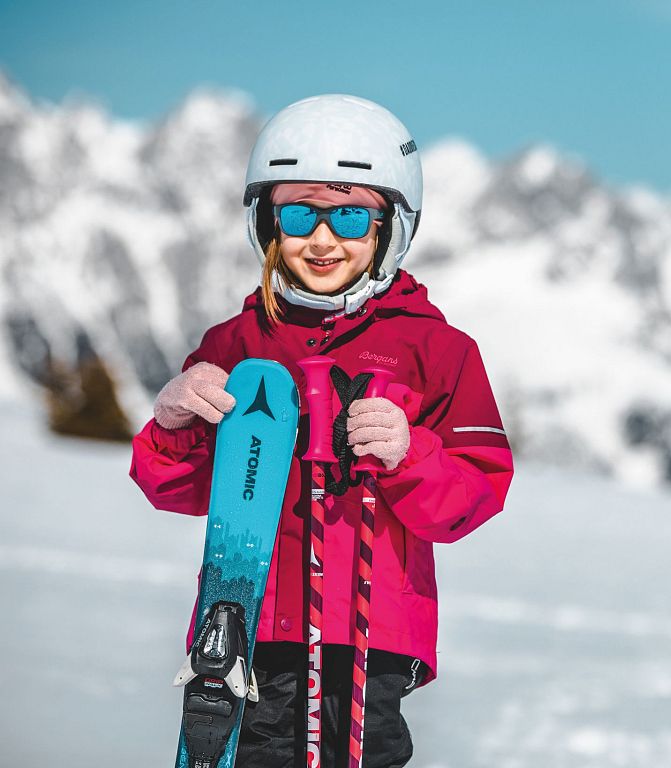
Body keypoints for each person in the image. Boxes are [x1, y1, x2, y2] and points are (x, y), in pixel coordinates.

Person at [130, 94, 514, 766]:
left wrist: (409, 453)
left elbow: (473, 495)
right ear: (268, 222)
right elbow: (176, 489)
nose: (323, 238)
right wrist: (173, 423)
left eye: (350, 216)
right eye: (300, 213)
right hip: (245, 631)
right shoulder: (235, 342)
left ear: (389, 226)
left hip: (368, 644)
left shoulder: (439, 351)